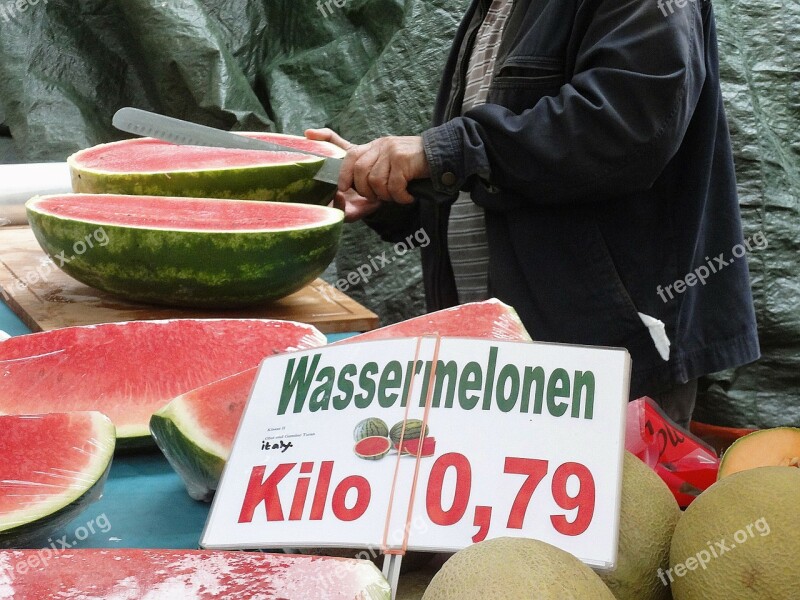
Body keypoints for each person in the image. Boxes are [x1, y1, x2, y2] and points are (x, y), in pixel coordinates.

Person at [307, 0, 760, 428]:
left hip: (601, 359)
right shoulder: (494, 7)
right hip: (492, 360)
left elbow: (625, 127)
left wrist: (443, 150)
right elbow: (498, 174)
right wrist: (397, 195)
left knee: (623, 512)